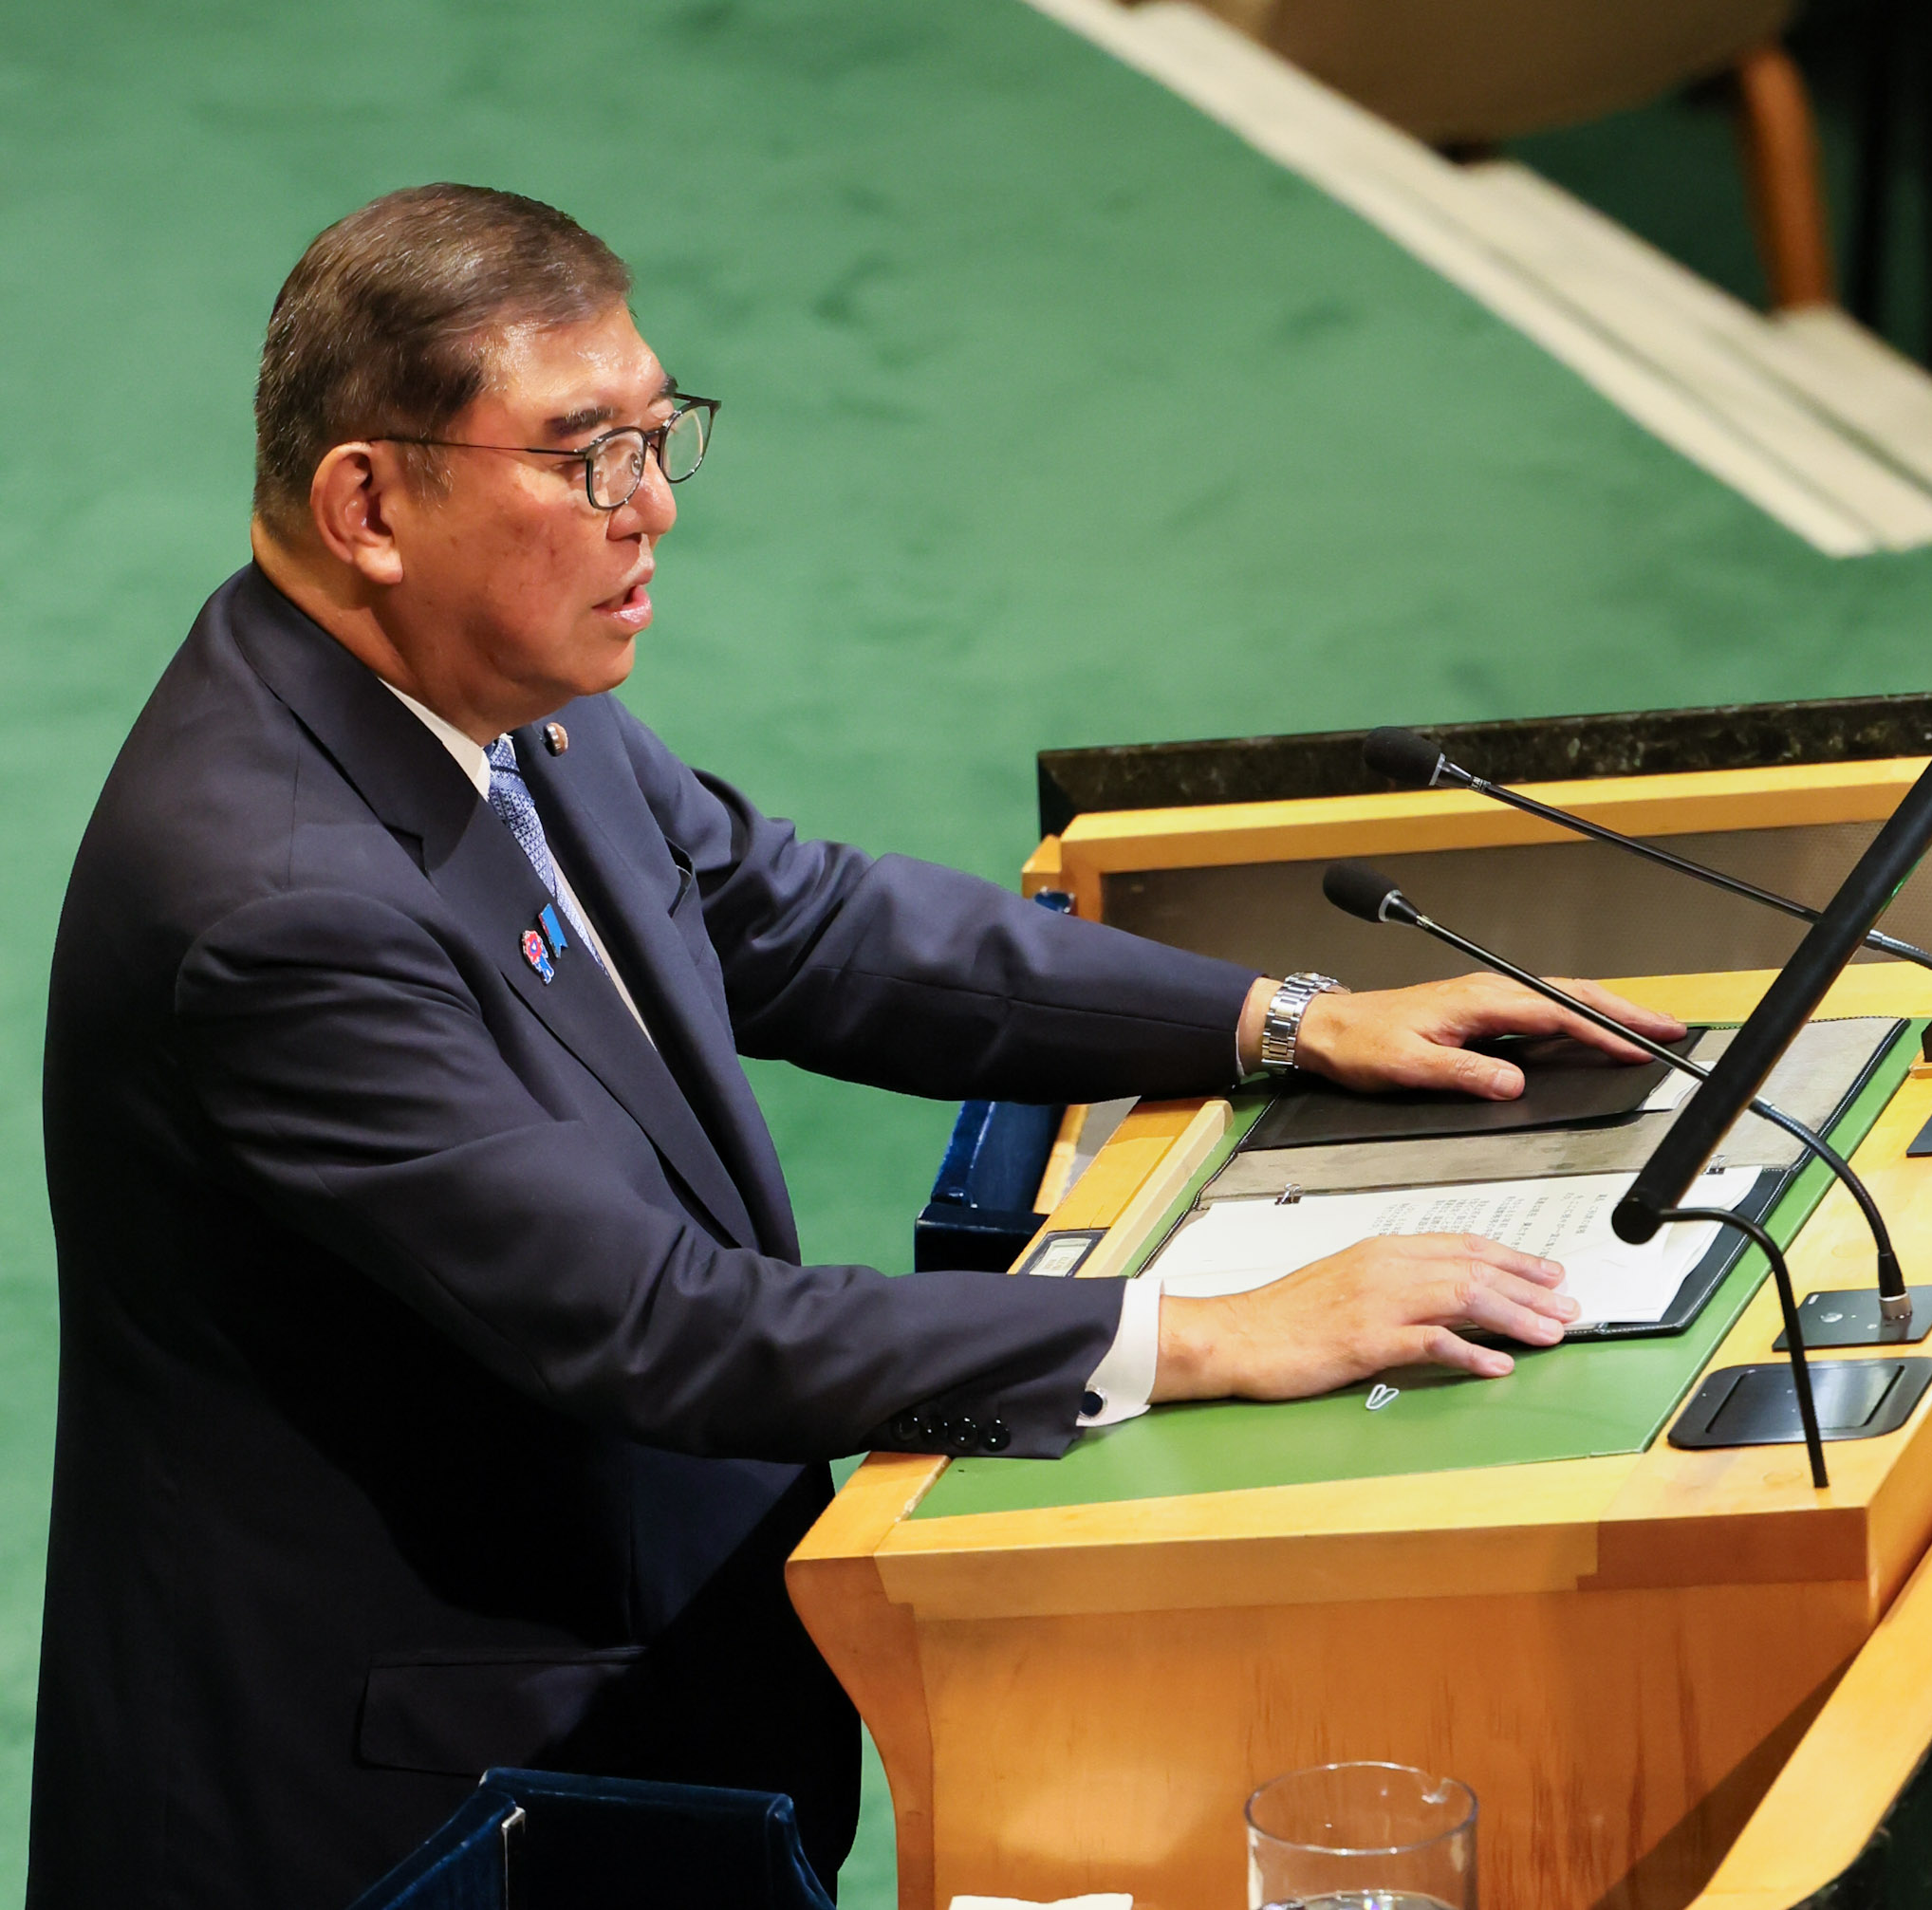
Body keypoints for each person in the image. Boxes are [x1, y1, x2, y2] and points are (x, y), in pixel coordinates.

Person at [29, 184, 1678, 1909]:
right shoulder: (277, 904)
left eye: (661, 437)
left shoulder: (490, 702)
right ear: (368, 502)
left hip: (630, 1699)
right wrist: (1204, 1332)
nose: (652, 508)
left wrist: (1283, 1020)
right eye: (585, 453)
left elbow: (795, 921)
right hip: (406, 1823)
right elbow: (653, 1322)